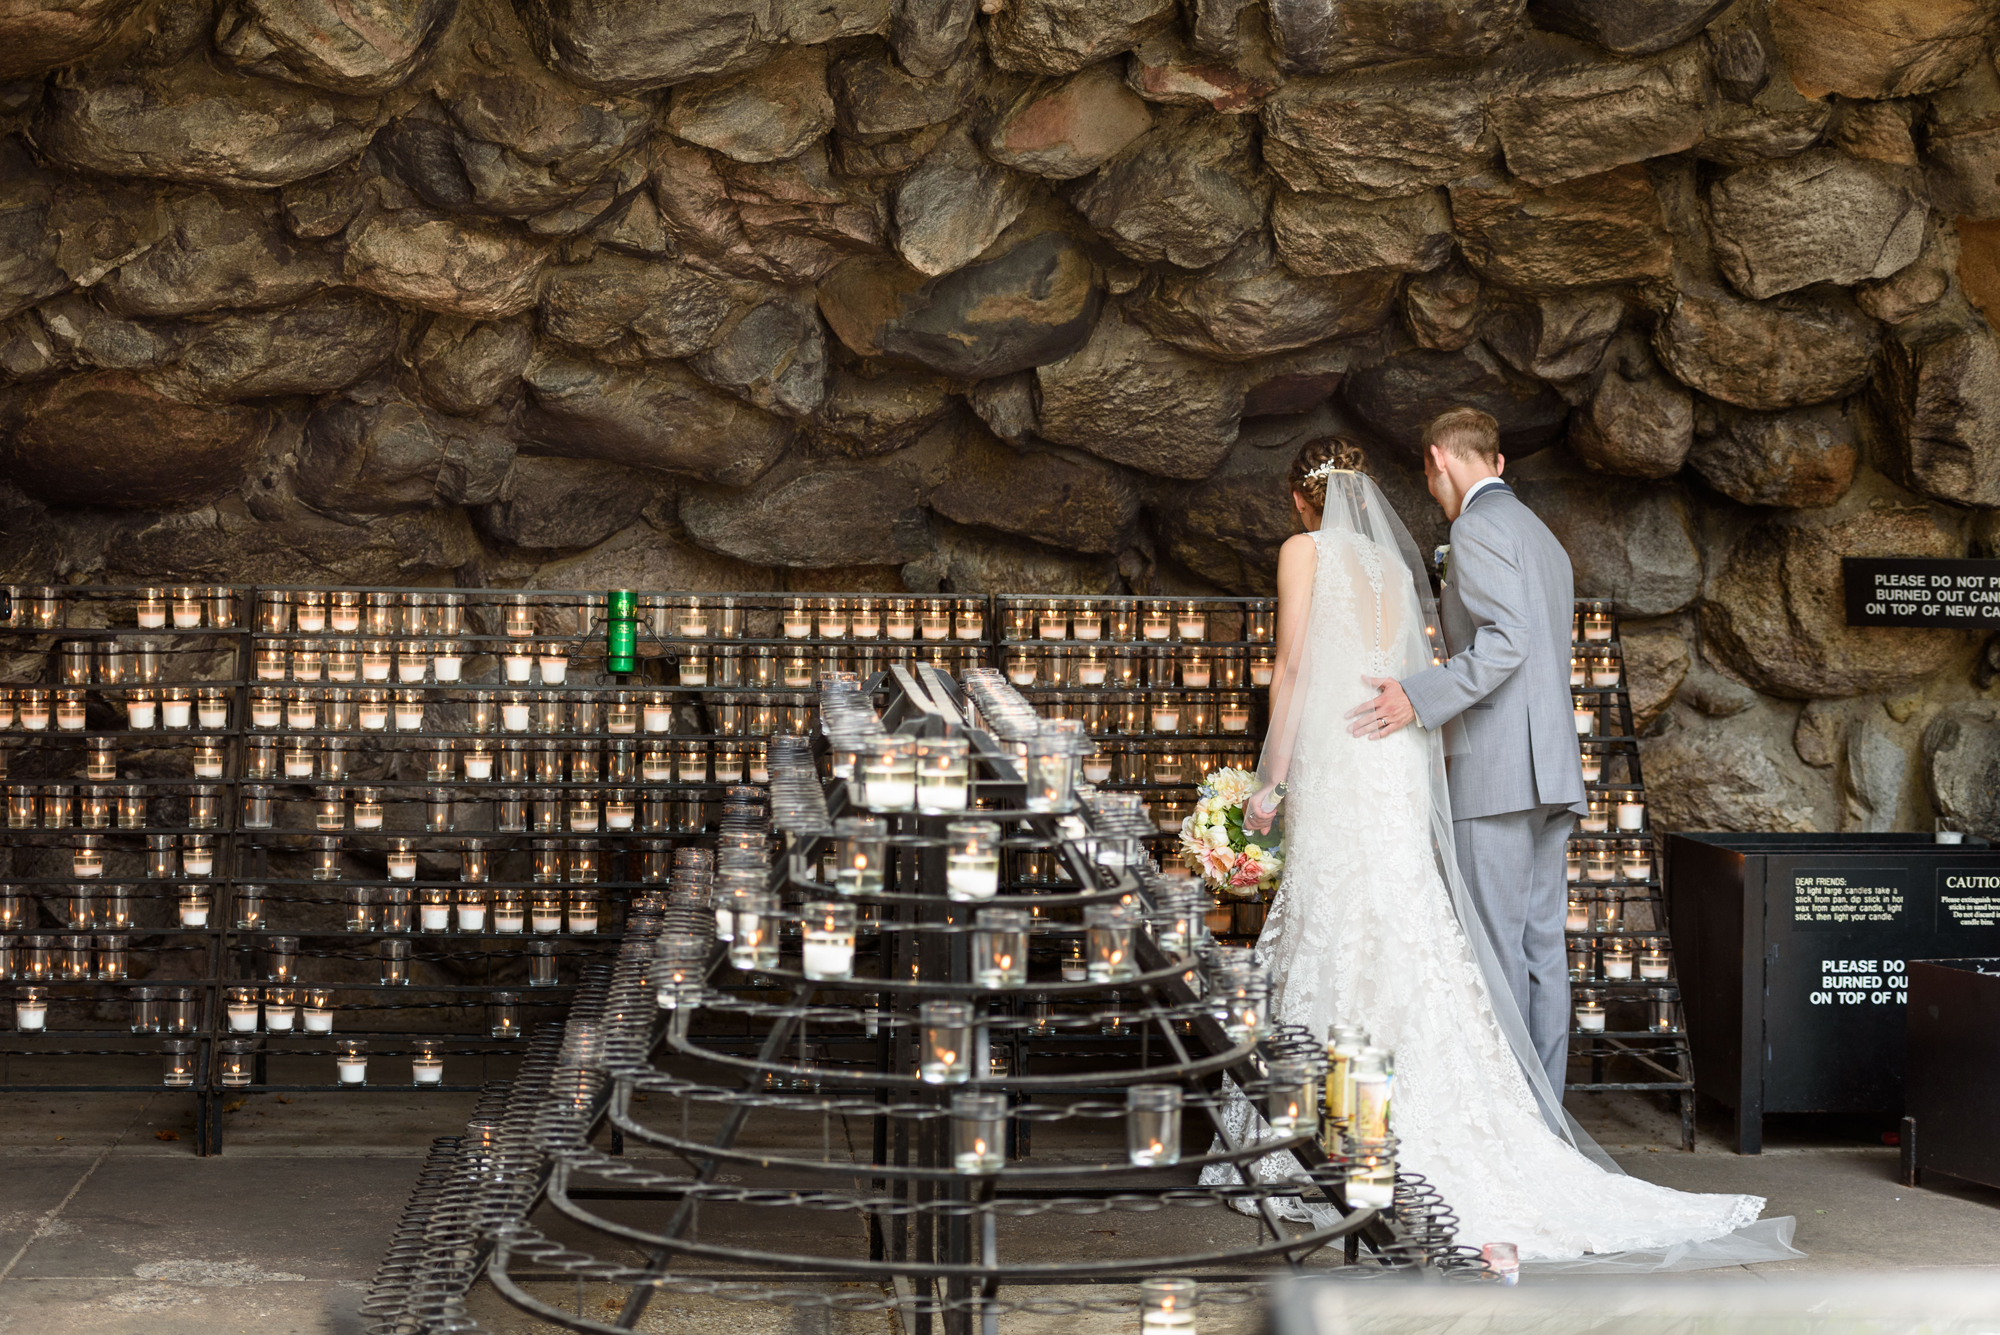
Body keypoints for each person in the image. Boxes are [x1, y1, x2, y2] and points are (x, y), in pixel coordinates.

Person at [1207, 431, 1793, 1264]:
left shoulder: (1304, 549)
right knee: (1413, 921)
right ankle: (1478, 1111)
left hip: (1345, 750)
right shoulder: (1393, 566)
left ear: (1303, 498)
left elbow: (1295, 667)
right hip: (1399, 760)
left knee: (1342, 918)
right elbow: (1423, 657)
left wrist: (1268, 777)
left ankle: (1338, 1131)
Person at [1345, 407, 1581, 1095]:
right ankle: (1547, 1118)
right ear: (1498, 462)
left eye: (1429, 477)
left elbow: (1506, 640)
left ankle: (1511, 1118)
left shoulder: (1474, 529)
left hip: (1499, 770)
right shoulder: (1543, 537)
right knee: (1542, 951)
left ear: (1437, 460)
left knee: (1496, 951)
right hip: (1551, 769)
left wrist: (1418, 697)